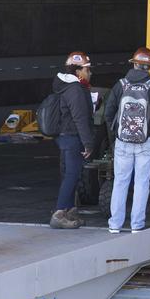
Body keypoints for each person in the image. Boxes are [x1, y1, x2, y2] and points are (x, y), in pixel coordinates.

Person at [103, 47, 150, 233]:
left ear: (133, 64)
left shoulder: (120, 85)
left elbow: (108, 114)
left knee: (120, 182)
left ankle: (115, 225)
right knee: (142, 183)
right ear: (149, 67)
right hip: (146, 142)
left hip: (122, 141)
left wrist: (116, 135)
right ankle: (137, 225)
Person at [49, 51, 95, 230]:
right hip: (72, 137)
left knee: (71, 174)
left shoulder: (66, 87)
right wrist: (88, 143)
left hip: (65, 136)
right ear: (78, 71)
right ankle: (59, 213)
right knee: (72, 175)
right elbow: (79, 118)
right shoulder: (74, 89)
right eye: (87, 69)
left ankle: (69, 211)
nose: (89, 73)